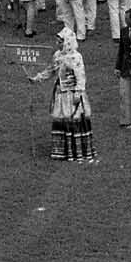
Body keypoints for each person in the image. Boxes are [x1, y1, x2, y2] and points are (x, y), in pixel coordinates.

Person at [33, 24, 96, 163]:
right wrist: (37, 78)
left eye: (60, 41)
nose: (58, 44)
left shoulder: (76, 57)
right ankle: (62, 151)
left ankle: (76, 151)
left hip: (72, 93)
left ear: (67, 42)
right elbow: (51, 70)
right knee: (62, 120)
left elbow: (81, 76)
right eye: (58, 41)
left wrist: (78, 93)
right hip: (61, 94)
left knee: (74, 121)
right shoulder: (57, 55)